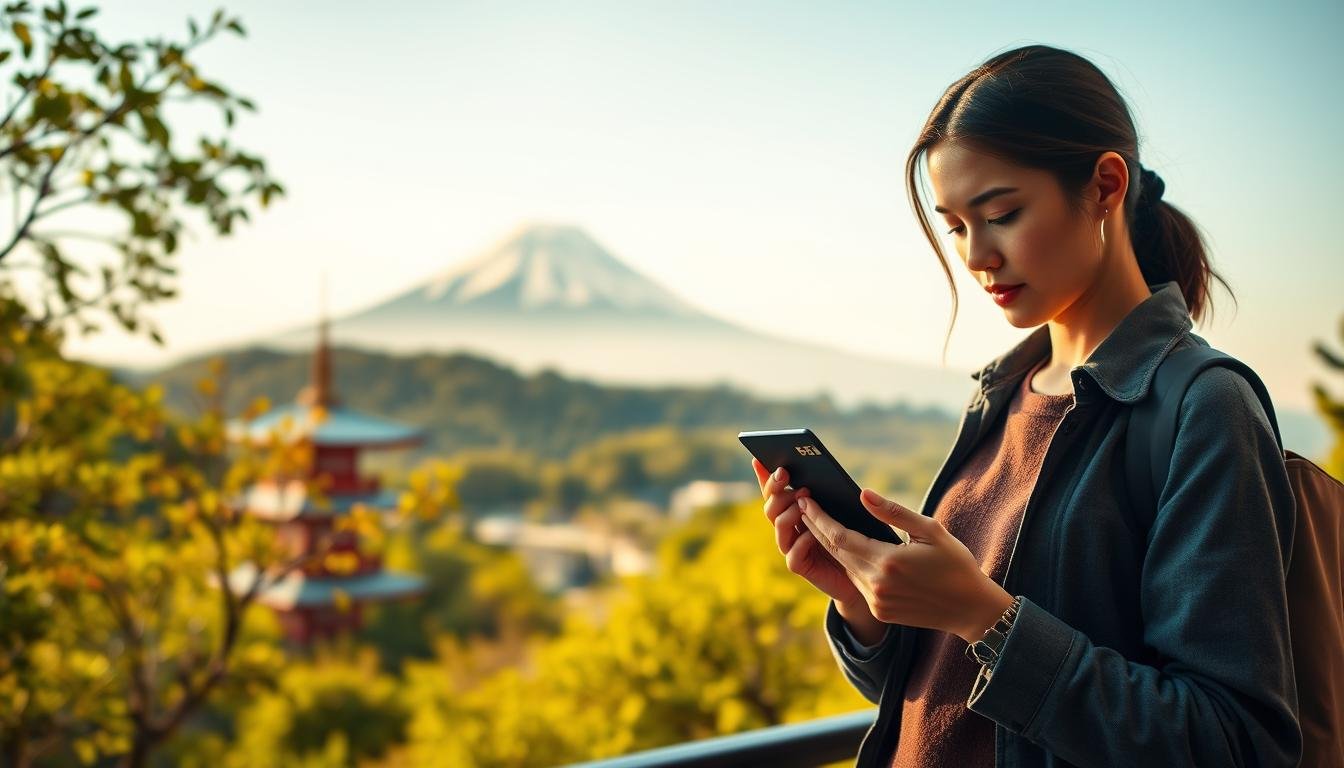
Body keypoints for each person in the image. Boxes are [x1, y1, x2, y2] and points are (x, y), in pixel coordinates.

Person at [751, 44, 1300, 767]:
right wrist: (867, 611)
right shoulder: (1001, 397)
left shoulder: (1202, 407)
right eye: (955, 226)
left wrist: (985, 616)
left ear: (1105, 187)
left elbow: (1233, 743)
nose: (976, 255)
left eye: (1001, 213)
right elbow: (945, 697)